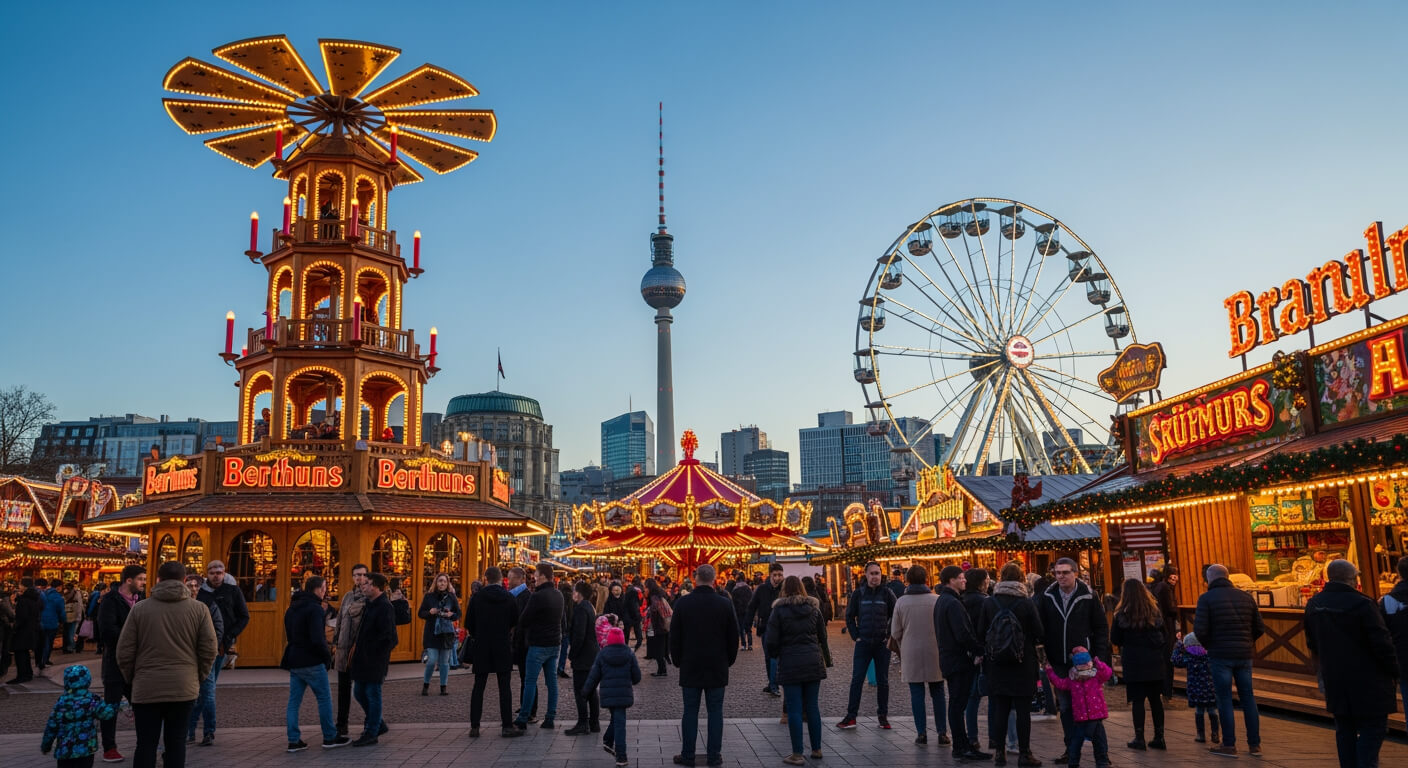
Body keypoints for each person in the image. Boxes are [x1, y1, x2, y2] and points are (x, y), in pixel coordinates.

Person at [116, 560, 218, 768]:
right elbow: (209, 649)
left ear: (158, 580)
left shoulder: (139, 609)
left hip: (146, 685)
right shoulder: (199, 609)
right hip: (183, 686)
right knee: (176, 743)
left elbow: (124, 651)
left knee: (145, 744)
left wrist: (132, 678)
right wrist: (197, 676)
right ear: (184, 580)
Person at [1304, 559, 1400, 768]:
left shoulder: (1314, 604)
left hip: (1335, 677)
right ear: (1352, 579)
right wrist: (1394, 671)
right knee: (1373, 728)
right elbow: (1381, 643)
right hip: (1369, 679)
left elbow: (1312, 644)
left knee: (1344, 729)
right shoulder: (1362, 603)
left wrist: (1321, 673)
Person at [1036, 557, 1109, 766]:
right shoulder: (1047, 596)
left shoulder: (1088, 595)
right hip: (1058, 659)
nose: (1061, 577)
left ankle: (1102, 753)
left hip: (1084, 661)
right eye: (1057, 573)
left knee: (1092, 706)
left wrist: (1099, 657)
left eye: (1065, 572)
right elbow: (1040, 626)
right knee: (1067, 707)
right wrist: (1044, 652)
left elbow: (1100, 627)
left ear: (1075, 573)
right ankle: (1071, 749)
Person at [669, 564, 739, 768]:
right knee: (715, 712)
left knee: (690, 711)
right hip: (717, 664)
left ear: (695, 578)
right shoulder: (724, 604)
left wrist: (677, 660)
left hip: (690, 664)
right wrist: (728, 660)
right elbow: (733, 636)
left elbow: (675, 636)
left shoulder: (683, 603)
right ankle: (714, 755)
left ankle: (688, 755)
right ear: (714, 579)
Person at [1193, 564, 1265, 758]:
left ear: (1209, 579)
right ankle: (1254, 744)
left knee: (1224, 699)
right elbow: (1259, 627)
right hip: (1244, 655)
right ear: (1227, 577)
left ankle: (1229, 744)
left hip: (1220, 655)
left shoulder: (1206, 599)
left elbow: (1200, 630)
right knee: (1248, 697)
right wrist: (1247, 642)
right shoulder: (1246, 597)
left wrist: (1210, 645)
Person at [978, 562, 1044, 767]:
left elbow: (981, 632)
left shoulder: (990, 603)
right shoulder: (1026, 603)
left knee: (1000, 708)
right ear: (1021, 579)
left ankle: (1000, 751)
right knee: (1023, 711)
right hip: (1023, 662)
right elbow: (1039, 632)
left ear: (1001, 578)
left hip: (997, 663)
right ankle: (1024, 753)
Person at [765, 575, 828, 765]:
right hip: (812, 661)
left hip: (790, 662)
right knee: (812, 706)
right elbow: (822, 636)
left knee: (794, 709)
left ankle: (797, 753)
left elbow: (771, 640)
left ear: (784, 589)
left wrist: (776, 655)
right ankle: (816, 749)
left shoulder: (778, 611)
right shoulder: (814, 609)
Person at [280, 575, 349, 751]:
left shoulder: (291, 608)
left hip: (295, 659)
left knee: (294, 702)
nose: (325, 591)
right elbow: (318, 639)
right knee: (324, 698)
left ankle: (293, 739)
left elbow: (289, 634)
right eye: (325, 588)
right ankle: (329, 736)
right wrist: (326, 657)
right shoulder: (315, 609)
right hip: (312, 660)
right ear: (319, 589)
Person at [934, 565, 990, 762]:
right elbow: (962, 633)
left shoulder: (944, 600)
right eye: (961, 577)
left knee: (957, 704)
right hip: (957, 661)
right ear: (951, 580)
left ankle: (963, 744)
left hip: (949, 659)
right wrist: (979, 650)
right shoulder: (953, 603)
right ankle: (961, 747)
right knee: (958, 705)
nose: (964, 580)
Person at [890, 565, 947, 746]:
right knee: (938, 692)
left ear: (907, 581)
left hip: (911, 652)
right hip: (935, 651)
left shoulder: (901, 602)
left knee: (916, 694)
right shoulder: (937, 600)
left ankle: (921, 733)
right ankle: (942, 732)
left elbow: (895, 632)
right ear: (926, 579)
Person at [1110, 577, 1167, 751]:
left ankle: (1139, 737)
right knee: (1156, 700)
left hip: (1134, 660)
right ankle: (1159, 736)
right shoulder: (1154, 612)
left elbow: (1115, 639)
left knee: (1138, 700)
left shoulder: (1122, 615)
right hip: (1154, 660)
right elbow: (1164, 635)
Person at [837, 560, 895, 730]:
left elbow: (896, 615)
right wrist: (856, 636)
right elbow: (849, 616)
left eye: (877, 573)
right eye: (872, 573)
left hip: (882, 644)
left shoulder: (887, 593)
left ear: (881, 574)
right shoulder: (859, 594)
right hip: (863, 643)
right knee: (857, 680)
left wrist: (888, 635)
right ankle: (851, 716)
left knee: (883, 681)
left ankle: (883, 716)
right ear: (866, 575)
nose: (875, 577)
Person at [465, 566, 519, 738]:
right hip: (502, 644)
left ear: (486, 578)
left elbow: (469, 623)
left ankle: (475, 726)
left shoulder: (477, 597)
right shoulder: (509, 597)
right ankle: (507, 725)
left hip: (482, 645)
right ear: (500, 578)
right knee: (504, 687)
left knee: (478, 686)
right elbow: (514, 620)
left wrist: (478, 634)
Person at [96, 566, 144, 762]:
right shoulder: (110, 600)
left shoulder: (141, 601)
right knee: (111, 706)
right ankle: (109, 747)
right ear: (129, 580)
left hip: (136, 664)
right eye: (140, 579)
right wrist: (133, 640)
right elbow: (107, 631)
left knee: (142, 706)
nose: (143, 582)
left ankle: (145, 744)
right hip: (115, 662)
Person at [348, 573, 398, 747]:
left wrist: (375, 653)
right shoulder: (369, 604)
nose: (363, 586)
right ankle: (378, 723)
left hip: (374, 659)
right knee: (359, 692)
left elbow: (390, 637)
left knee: (372, 693)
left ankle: (372, 731)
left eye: (367, 584)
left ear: (376, 586)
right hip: (363, 657)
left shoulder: (384, 607)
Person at [514, 563, 565, 730]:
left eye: (535, 574)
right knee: (552, 682)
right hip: (554, 643)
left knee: (530, 681)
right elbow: (562, 620)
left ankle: (523, 717)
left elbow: (524, 620)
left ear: (542, 576)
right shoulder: (559, 595)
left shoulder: (537, 596)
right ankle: (550, 717)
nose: (533, 577)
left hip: (538, 644)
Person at [1044, 647, 1112, 768]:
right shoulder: (1076, 679)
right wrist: (1050, 672)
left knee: (1090, 742)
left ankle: (1096, 762)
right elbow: (1060, 683)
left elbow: (1107, 673)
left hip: (1091, 718)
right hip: (1086, 718)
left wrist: (1099, 663)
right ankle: (1081, 762)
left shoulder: (1092, 677)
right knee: (1086, 742)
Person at [42, 664, 120, 768]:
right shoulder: (92, 700)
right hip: (85, 749)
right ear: (87, 680)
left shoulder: (62, 702)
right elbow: (106, 713)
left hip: (65, 750)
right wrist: (116, 705)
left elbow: (52, 726)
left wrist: (46, 745)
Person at [585, 626, 640, 768]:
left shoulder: (602, 654)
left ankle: (608, 741)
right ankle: (621, 756)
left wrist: (585, 692)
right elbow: (637, 677)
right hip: (623, 695)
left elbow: (593, 676)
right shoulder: (629, 653)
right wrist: (630, 680)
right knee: (620, 724)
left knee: (616, 719)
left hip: (608, 695)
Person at [181, 572, 224, 744]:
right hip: (187, 656)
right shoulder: (181, 605)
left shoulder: (209, 604)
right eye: (190, 585)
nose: (193, 589)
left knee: (207, 695)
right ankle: (189, 732)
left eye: (196, 585)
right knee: (190, 695)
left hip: (206, 655)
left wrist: (211, 649)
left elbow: (218, 628)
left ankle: (208, 732)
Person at [332, 563, 370, 738]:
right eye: (356, 575)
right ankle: (341, 725)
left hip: (359, 650)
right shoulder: (347, 596)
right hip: (343, 648)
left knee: (363, 690)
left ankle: (372, 723)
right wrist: (335, 643)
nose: (359, 578)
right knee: (343, 690)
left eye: (362, 575)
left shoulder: (369, 597)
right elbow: (340, 619)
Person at [960, 568, 991, 752]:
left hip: (967, 653)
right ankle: (994, 737)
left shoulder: (961, 601)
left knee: (972, 698)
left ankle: (972, 737)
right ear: (981, 582)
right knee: (991, 694)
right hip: (984, 652)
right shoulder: (986, 601)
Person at [565, 580, 601, 735]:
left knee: (580, 690)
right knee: (591, 690)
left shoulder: (580, 609)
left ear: (578, 593)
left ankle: (582, 723)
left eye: (574, 591)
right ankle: (594, 723)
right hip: (592, 653)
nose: (573, 594)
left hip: (583, 655)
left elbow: (579, 634)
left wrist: (572, 654)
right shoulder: (590, 607)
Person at [1171, 632, 1219, 744]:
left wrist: (1179, 645)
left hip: (1196, 691)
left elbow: (1174, 660)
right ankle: (1215, 734)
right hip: (1210, 690)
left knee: (1199, 711)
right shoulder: (1209, 656)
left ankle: (1200, 734)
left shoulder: (1189, 658)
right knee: (1212, 710)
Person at [419, 572, 460, 696]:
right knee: (432, 660)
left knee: (444, 662)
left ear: (447, 584)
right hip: (432, 632)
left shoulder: (451, 597)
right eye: (440, 581)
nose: (442, 583)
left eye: (444, 581)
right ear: (436, 582)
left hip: (446, 633)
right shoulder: (429, 596)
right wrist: (430, 612)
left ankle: (443, 687)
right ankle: (426, 685)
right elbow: (420, 613)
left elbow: (458, 614)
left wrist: (451, 615)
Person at [748, 564, 786, 696]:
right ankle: (772, 683)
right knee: (769, 657)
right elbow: (752, 606)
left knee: (775, 657)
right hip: (766, 628)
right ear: (770, 575)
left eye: (780, 575)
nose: (777, 578)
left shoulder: (785, 589)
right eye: (775, 575)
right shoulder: (762, 589)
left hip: (783, 628)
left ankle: (775, 685)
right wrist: (747, 624)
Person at [1148, 565, 1180, 699]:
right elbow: (1171, 609)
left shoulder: (1157, 587)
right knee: (1168, 660)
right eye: (1173, 576)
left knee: (1163, 659)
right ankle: (1167, 690)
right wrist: (1178, 611)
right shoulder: (1166, 588)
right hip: (1167, 627)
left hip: (1160, 627)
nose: (1175, 579)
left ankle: (1162, 689)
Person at [7, 577, 42, 685]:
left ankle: (22, 675)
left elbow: (21, 617)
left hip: (23, 631)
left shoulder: (24, 600)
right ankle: (27, 673)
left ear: (23, 586)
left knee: (20, 653)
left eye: (20, 584)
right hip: (32, 629)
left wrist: (14, 626)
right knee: (25, 653)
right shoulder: (35, 598)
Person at [645, 580, 673, 677]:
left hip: (659, 627)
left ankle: (662, 670)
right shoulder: (659, 596)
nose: (645, 589)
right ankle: (661, 670)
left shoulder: (654, 598)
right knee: (660, 648)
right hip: (663, 627)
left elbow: (655, 613)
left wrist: (648, 613)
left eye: (646, 587)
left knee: (658, 649)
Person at [41, 577, 66, 669]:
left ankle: (41, 660)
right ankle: (45, 660)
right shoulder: (58, 597)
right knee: (49, 642)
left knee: (42, 642)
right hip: (52, 622)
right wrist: (63, 620)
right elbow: (62, 612)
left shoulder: (43, 594)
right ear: (58, 587)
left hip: (41, 621)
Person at [558, 579, 576, 679]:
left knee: (558, 650)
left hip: (558, 627)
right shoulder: (570, 599)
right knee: (564, 650)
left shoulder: (558, 597)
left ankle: (557, 667)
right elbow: (570, 615)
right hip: (566, 628)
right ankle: (560, 668)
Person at [731, 577, 754, 651]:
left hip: (739, 611)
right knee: (748, 628)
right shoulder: (748, 589)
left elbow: (733, 602)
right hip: (748, 610)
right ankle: (750, 644)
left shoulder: (734, 590)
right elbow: (752, 600)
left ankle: (743, 645)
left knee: (741, 628)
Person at [623, 577, 644, 650]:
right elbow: (635, 604)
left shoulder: (630, 589)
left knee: (627, 632)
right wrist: (637, 615)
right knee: (637, 629)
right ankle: (638, 643)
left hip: (627, 614)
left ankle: (626, 645)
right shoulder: (636, 591)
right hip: (633, 614)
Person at [64, 583, 85, 654]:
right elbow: (80, 605)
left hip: (66, 614)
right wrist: (80, 615)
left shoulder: (64, 594)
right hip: (74, 614)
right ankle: (72, 646)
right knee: (73, 632)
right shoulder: (77, 593)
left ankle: (68, 646)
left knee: (67, 632)